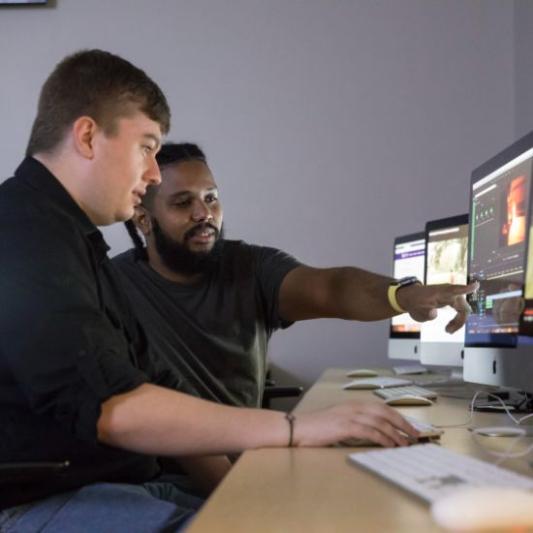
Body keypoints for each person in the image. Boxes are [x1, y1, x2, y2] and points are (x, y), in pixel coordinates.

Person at [0, 50, 426, 532]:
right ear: (88, 136)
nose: (154, 172)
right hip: (39, 503)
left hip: (121, 486)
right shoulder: (22, 234)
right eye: (146, 146)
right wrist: (294, 429)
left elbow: (155, 383)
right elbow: (112, 409)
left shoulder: (75, 241)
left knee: (313, 509)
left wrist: (248, 488)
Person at [115, 142, 477, 408]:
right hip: (158, 482)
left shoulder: (250, 267)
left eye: (211, 198)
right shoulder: (111, 286)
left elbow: (333, 288)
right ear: (144, 219)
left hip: (243, 463)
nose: (204, 213)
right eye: (183, 203)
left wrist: (406, 296)